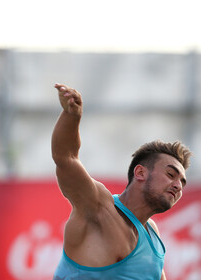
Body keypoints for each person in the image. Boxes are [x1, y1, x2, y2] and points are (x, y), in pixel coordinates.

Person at [51, 83, 192, 280]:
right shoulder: (98, 208)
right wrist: (71, 116)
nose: (178, 186)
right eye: (171, 174)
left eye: (182, 183)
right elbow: (66, 158)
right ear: (141, 172)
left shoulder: (152, 234)